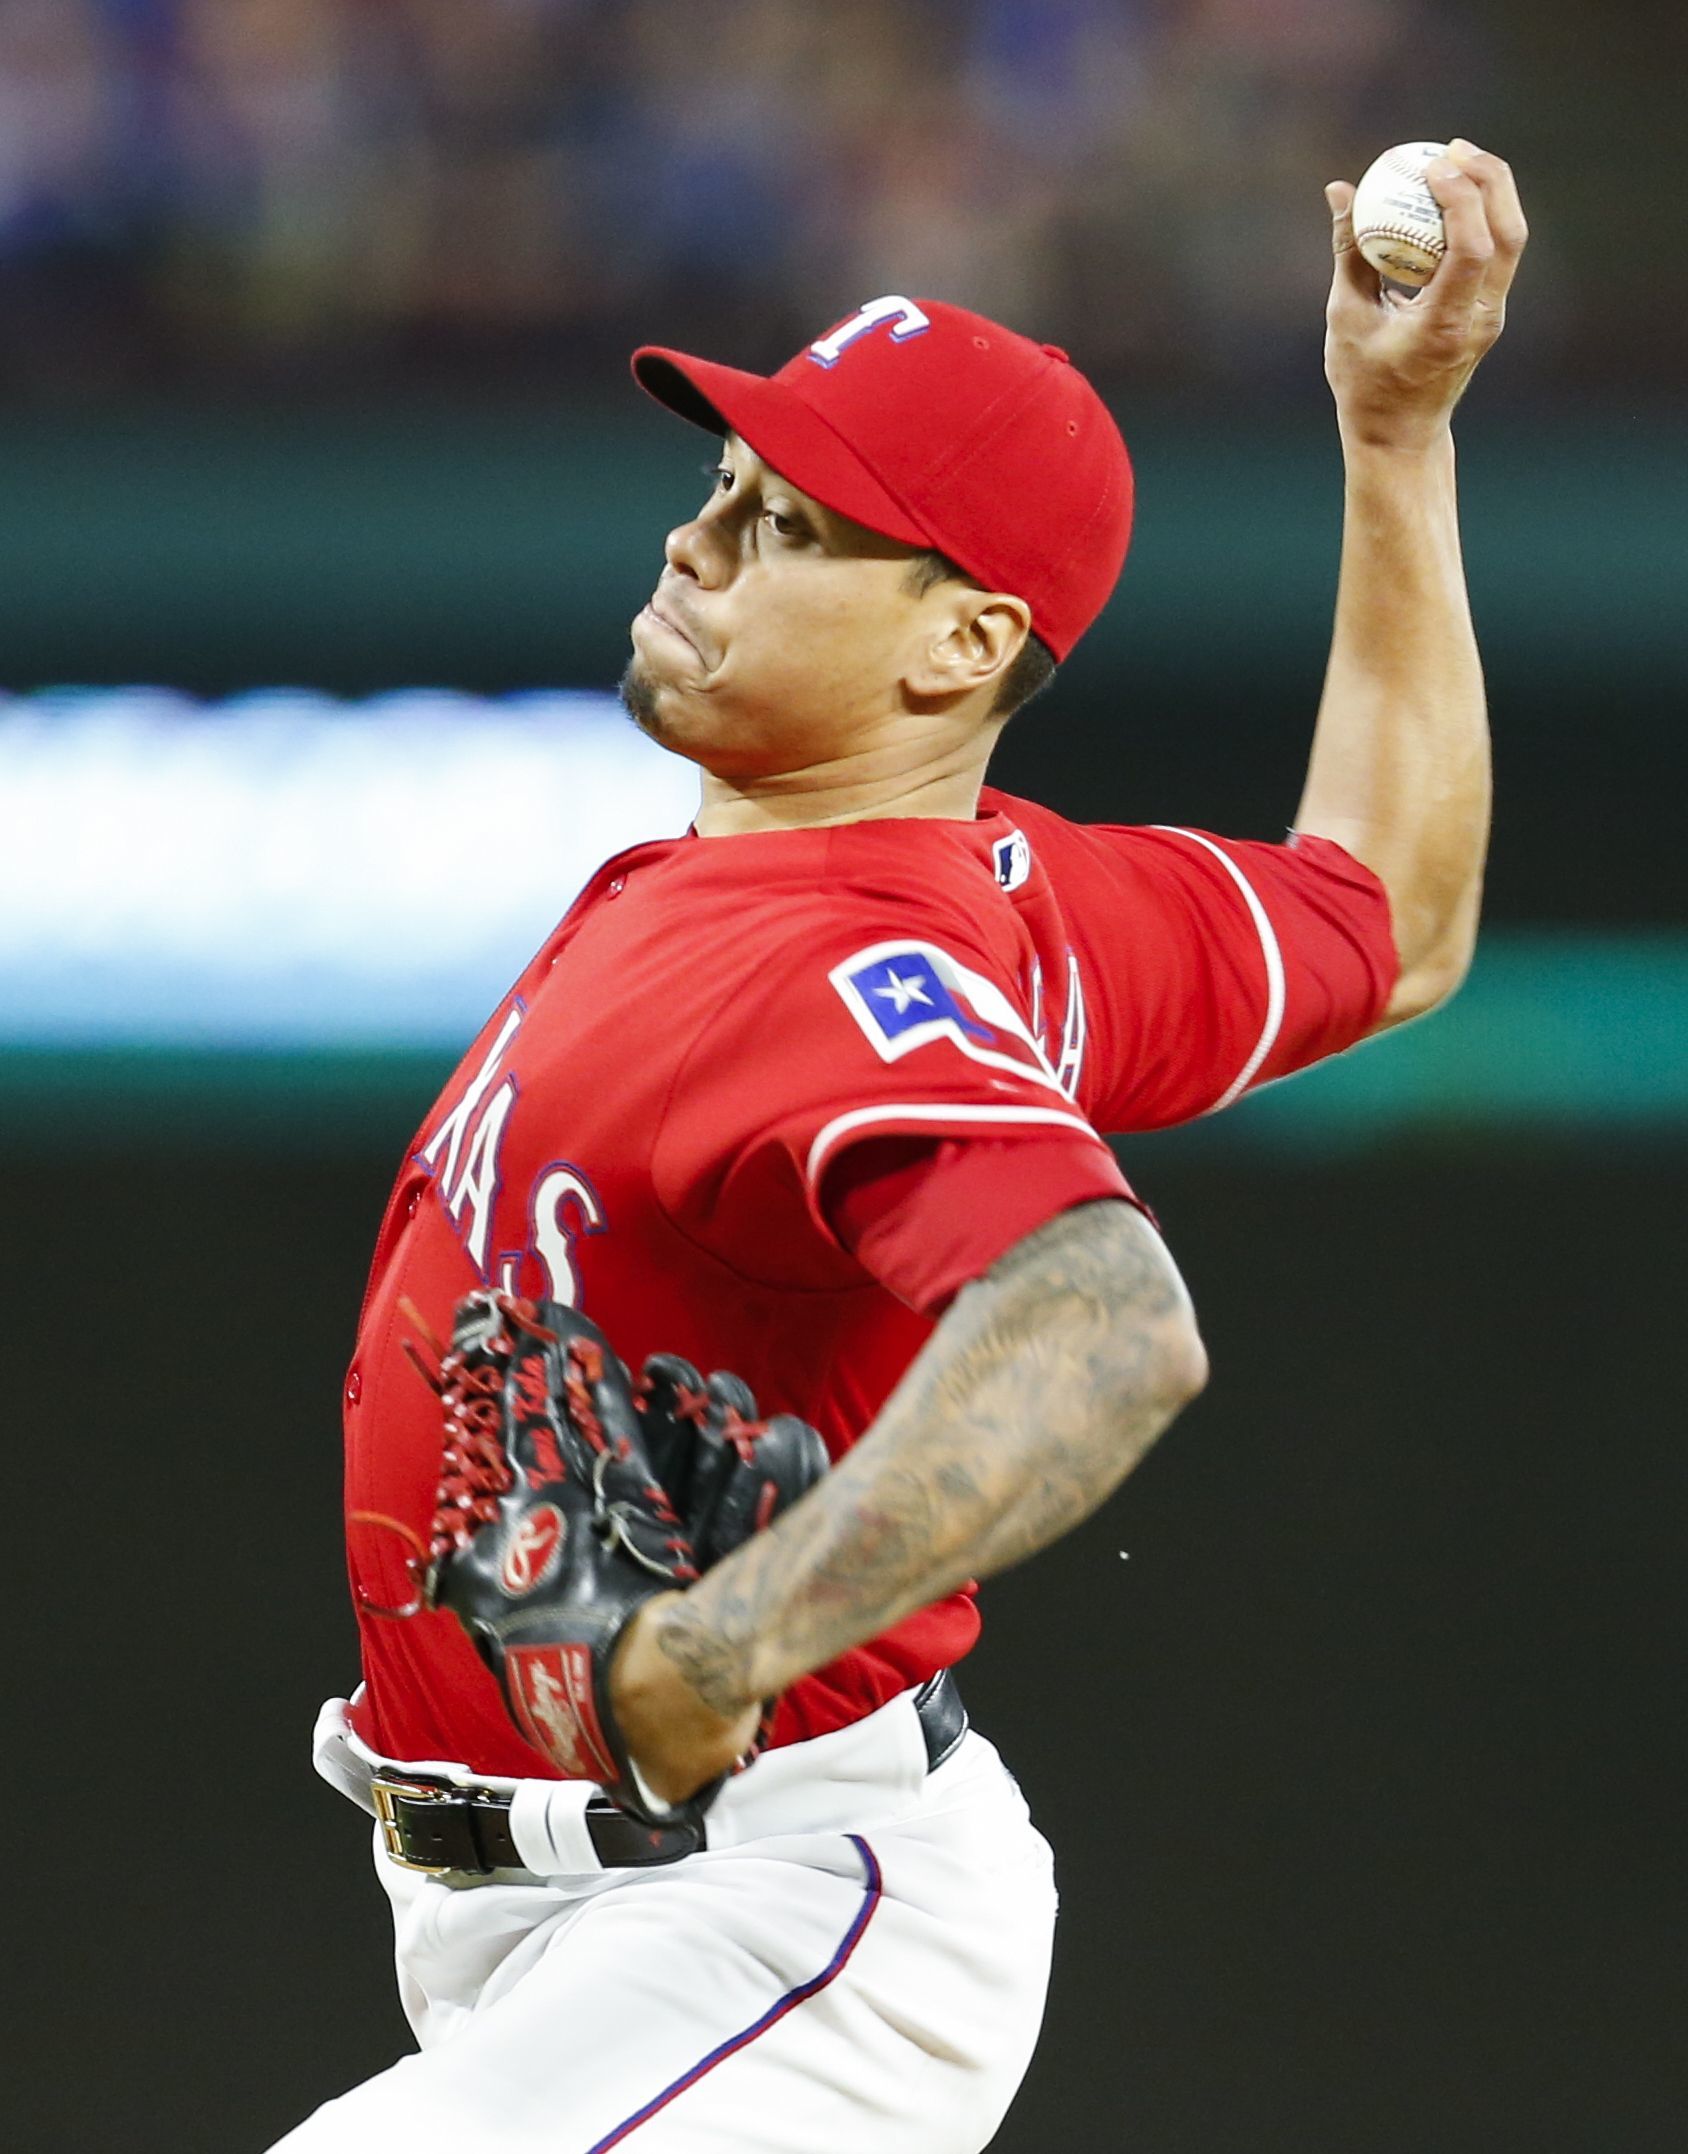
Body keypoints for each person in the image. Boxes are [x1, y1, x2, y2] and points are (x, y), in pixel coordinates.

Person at [276, 144, 1527, 2153]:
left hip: (769, 1916)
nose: (700, 543)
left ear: (957, 649)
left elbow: (1104, 1326)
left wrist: (735, 1634)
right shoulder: (997, 898)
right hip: (551, 1915)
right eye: (720, 492)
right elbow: (1387, 911)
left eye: (786, 527)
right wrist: (1395, 440)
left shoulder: (840, 968)